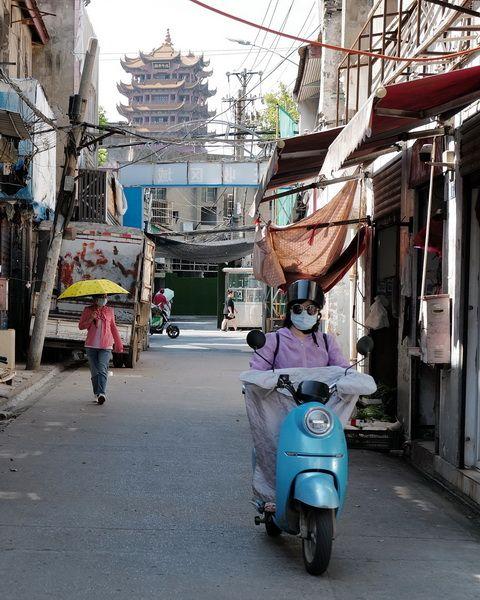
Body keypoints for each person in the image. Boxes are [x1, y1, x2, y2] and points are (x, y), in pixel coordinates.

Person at [250, 280, 349, 370]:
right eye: (298, 309)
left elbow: (344, 370)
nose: (304, 314)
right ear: (290, 311)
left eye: (311, 309)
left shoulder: (327, 342)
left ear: (318, 313)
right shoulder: (273, 341)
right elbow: (257, 373)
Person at [78, 294, 124, 405]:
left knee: (102, 369)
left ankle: (102, 393)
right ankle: (96, 393)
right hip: (91, 346)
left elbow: (113, 327)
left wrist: (118, 343)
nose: (104, 299)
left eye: (105, 297)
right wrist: (91, 318)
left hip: (106, 346)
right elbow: (81, 326)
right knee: (95, 371)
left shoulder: (109, 311)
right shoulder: (88, 310)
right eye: (101, 297)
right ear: (95, 299)